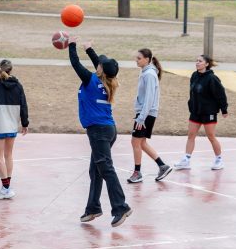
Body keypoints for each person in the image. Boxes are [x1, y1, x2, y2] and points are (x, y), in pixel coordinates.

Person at [69, 37, 132, 227]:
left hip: (99, 131)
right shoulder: (109, 80)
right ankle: (93, 208)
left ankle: (120, 207)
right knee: (95, 170)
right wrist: (89, 49)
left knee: (106, 169)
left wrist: (71, 45)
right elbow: (101, 65)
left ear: (100, 70)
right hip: (108, 130)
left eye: (100, 65)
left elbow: (75, 63)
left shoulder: (90, 80)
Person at [0, 59, 29, 200]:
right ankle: (7, 188)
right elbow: (24, 105)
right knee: (8, 155)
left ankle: (6, 188)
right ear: (11, 70)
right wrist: (25, 123)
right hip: (12, 125)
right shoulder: (18, 85)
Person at [175, 55, 229, 170]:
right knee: (191, 135)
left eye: (200, 61)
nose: (197, 63)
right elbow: (192, 92)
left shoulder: (212, 78)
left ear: (206, 64)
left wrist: (224, 109)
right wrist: (191, 104)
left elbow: (221, 94)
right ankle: (186, 160)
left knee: (211, 136)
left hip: (208, 112)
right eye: (196, 61)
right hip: (196, 111)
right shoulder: (194, 75)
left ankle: (219, 160)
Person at [127, 48, 172, 183]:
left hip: (145, 114)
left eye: (139, 58)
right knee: (141, 143)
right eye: (136, 58)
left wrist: (141, 117)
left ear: (147, 59)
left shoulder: (149, 75)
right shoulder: (146, 72)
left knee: (135, 142)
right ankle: (162, 166)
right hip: (145, 113)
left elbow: (149, 99)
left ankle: (137, 173)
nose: (137, 60)